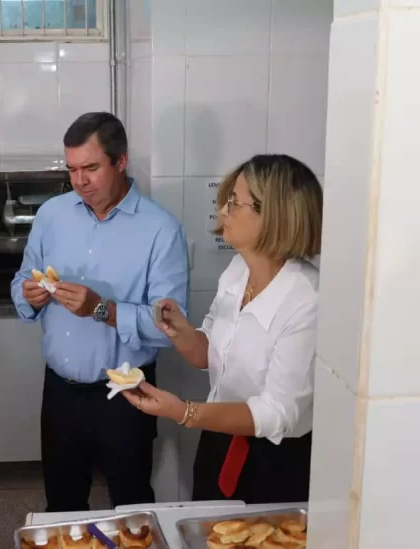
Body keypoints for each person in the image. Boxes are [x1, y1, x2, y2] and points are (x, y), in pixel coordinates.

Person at [10, 112, 189, 512]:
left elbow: (170, 328)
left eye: (91, 168)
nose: (79, 181)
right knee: (62, 505)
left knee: (132, 507)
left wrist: (101, 309)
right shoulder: (52, 215)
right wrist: (29, 295)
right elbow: (22, 278)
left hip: (127, 395)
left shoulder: (161, 230)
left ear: (120, 161)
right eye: (71, 169)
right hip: (59, 392)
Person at [123, 154, 323, 504]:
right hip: (219, 438)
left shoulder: (306, 298)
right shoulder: (237, 271)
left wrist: (183, 411)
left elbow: (277, 413)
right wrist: (181, 331)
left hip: (275, 459)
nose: (223, 210)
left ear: (273, 215)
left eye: (234, 202)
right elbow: (208, 354)